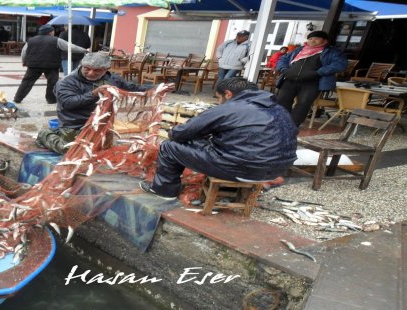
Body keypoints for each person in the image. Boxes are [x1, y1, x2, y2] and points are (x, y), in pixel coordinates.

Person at [140, 78, 298, 200]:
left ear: (228, 94)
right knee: (217, 145)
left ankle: (164, 190)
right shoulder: (279, 109)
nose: (219, 101)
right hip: (278, 169)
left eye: (219, 97)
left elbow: (180, 134)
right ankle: (234, 185)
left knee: (169, 147)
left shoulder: (228, 108)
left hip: (241, 168)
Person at [36, 52, 175, 154]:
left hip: (103, 123)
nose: (90, 73)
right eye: (87, 68)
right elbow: (68, 103)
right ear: (82, 65)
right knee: (74, 152)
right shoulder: (67, 82)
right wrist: (94, 93)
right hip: (76, 124)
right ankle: (45, 134)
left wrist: (158, 87)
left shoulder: (112, 79)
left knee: (101, 151)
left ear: (105, 69)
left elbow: (133, 88)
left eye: (97, 70)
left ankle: (62, 134)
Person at [276, 31, 347, 126]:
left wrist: (319, 72)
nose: (312, 40)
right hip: (290, 80)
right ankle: (281, 124)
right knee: (282, 101)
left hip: (311, 82)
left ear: (325, 40)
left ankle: (292, 126)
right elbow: (283, 59)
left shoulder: (331, 52)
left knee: (303, 104)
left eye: (316, 38)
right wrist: (284, 69)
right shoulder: (299, 50)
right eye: (310, 38)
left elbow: (340, 64)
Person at [13, 24, 88, 105]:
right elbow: (71, 47)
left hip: (34, 65)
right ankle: (51, 100)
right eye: (53, 31)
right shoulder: (56, 40)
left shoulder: (31, 40)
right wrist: (84, 50)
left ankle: (18, 98)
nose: (54, 32)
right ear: (49, 32)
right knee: (52, 83)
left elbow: (23, 52)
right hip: (51, 65)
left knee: (27, 82)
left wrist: (24, 61)